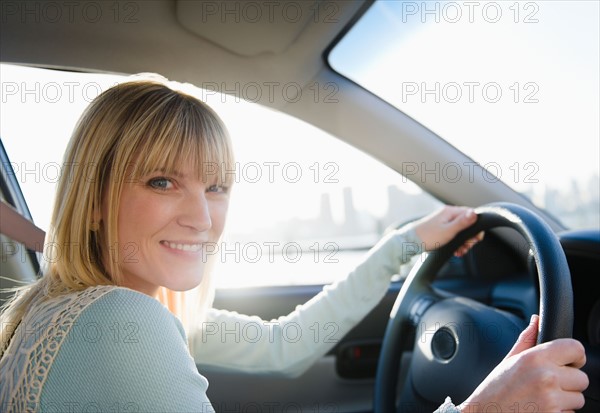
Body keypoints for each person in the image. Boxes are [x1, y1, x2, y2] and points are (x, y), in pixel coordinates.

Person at [0, 78, 588, 413]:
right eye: (162, 181)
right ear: (95, 198)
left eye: (216, 187)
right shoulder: (123, 325)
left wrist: (403, 245)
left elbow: (287, 344)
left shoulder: (71, 309)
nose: (203, 217)